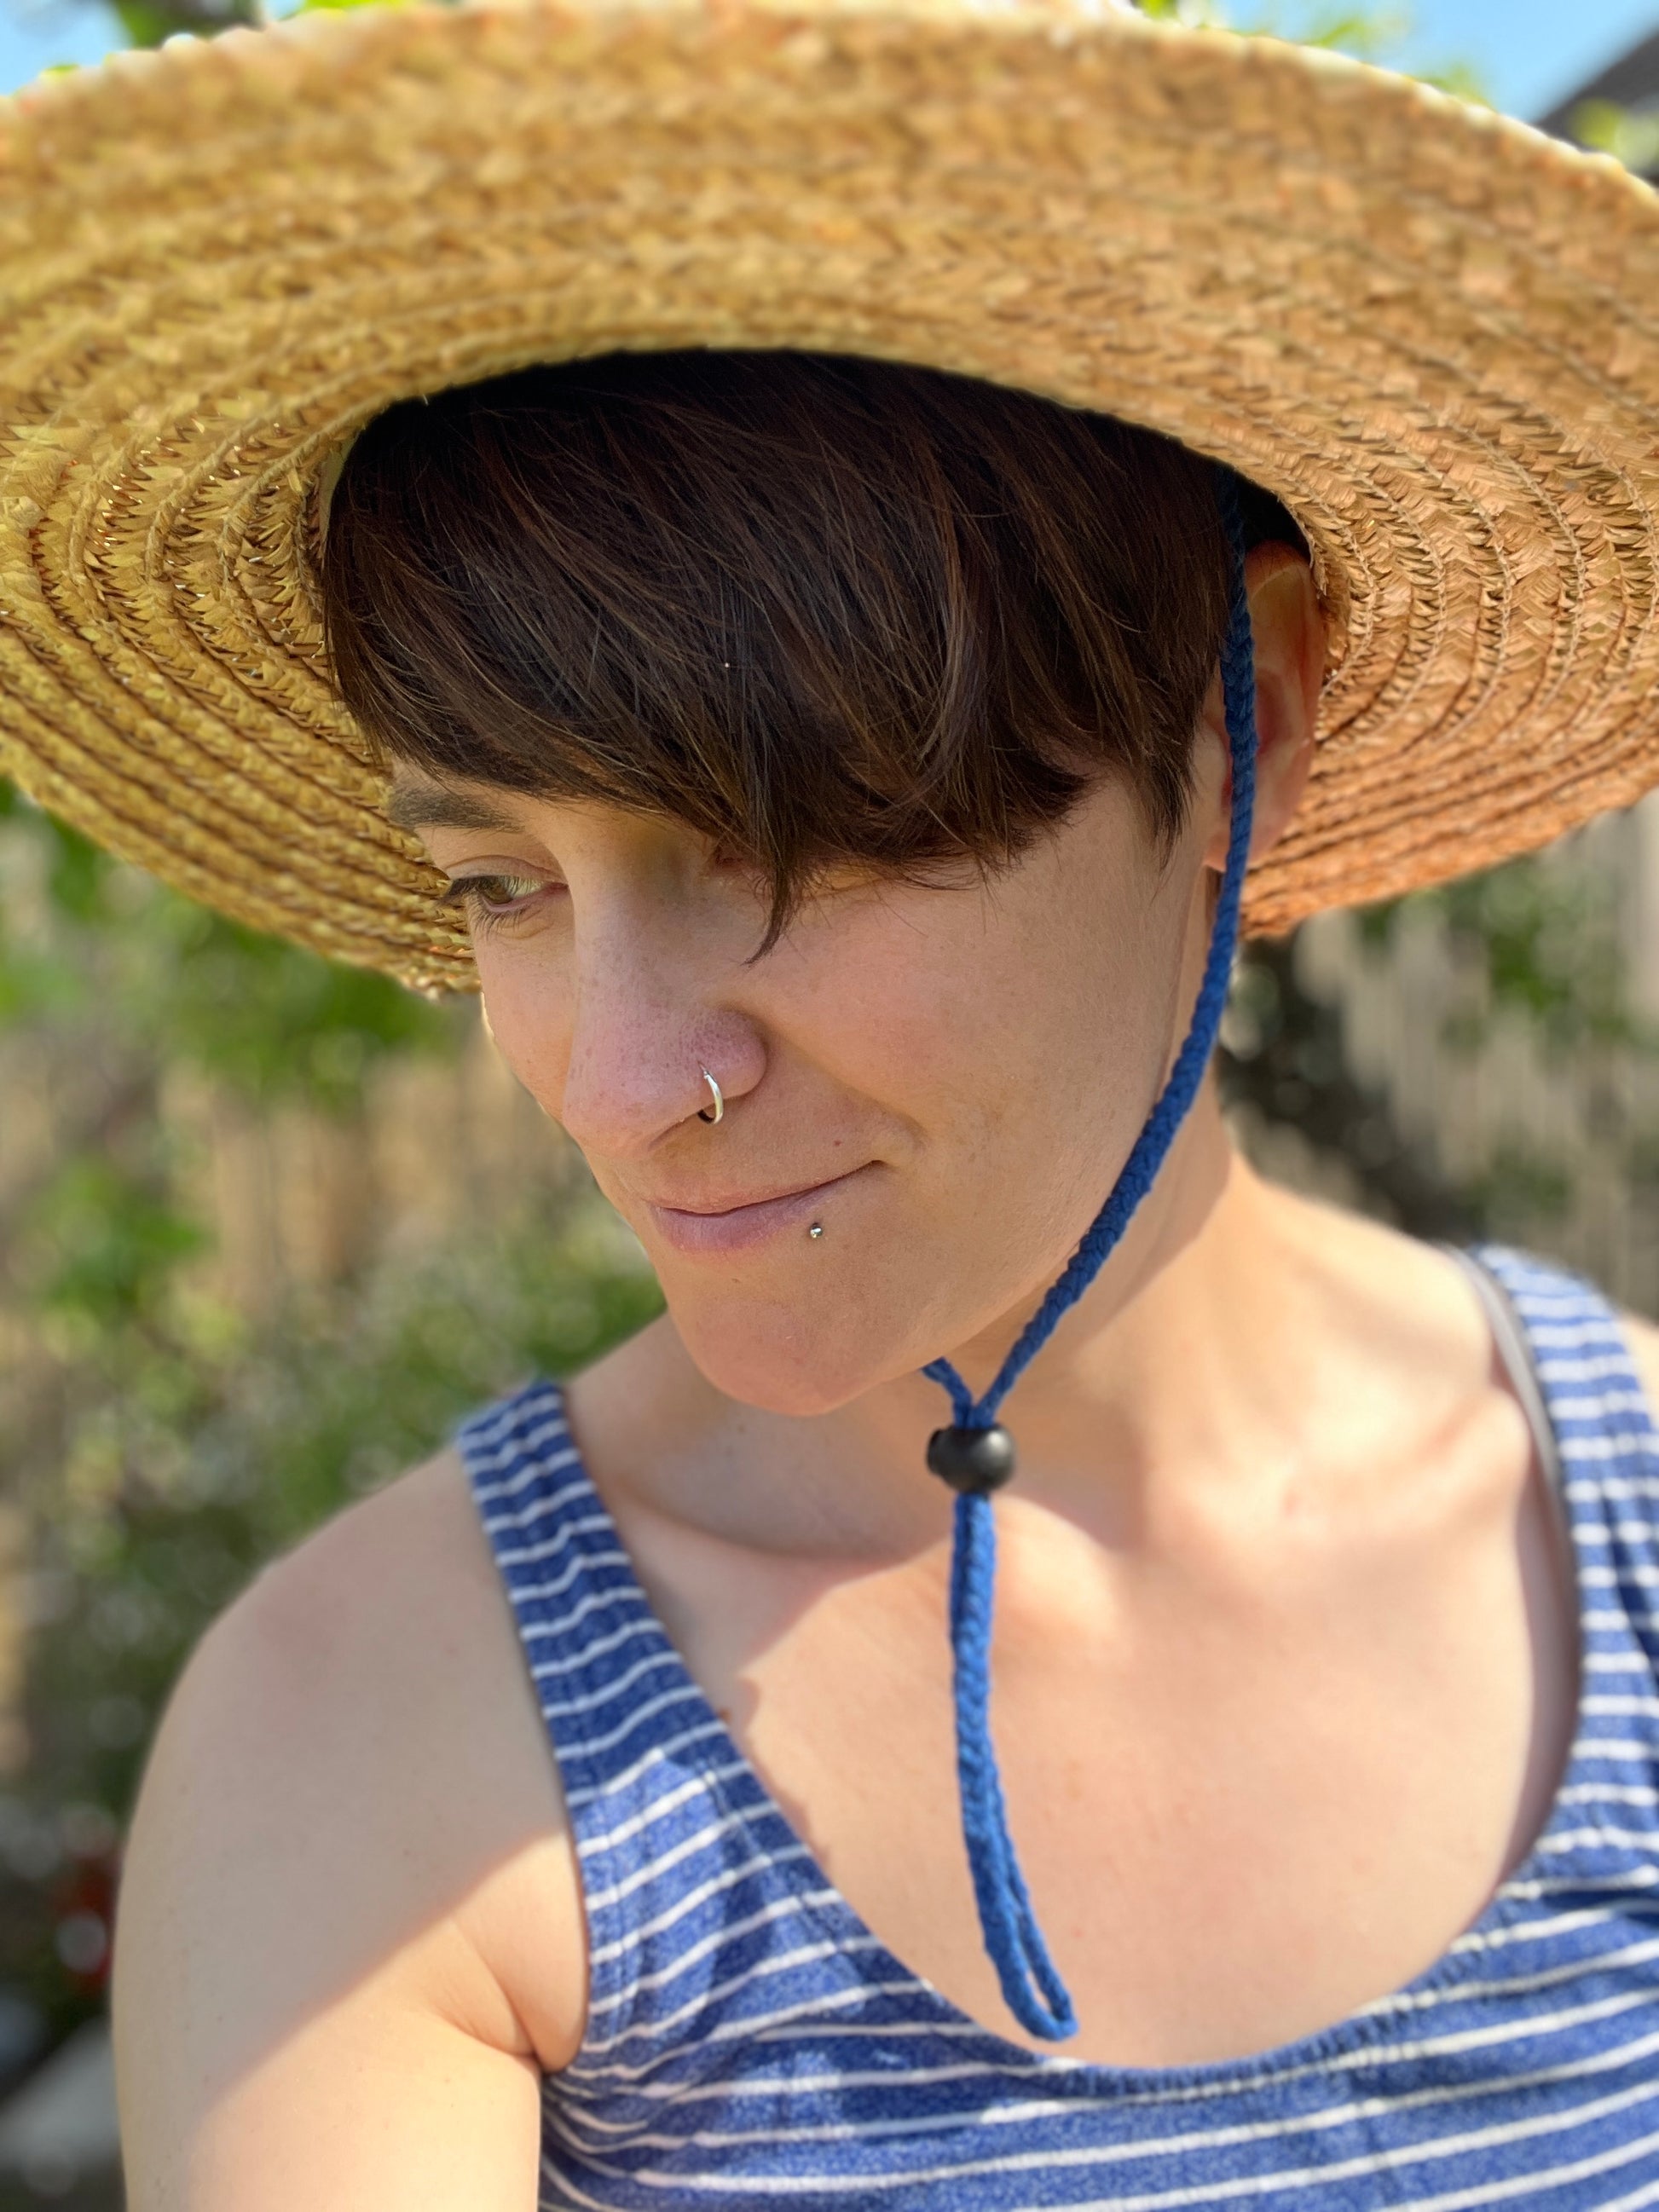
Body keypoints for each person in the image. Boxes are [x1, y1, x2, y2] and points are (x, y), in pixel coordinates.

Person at [3, 2, 1659, 2203]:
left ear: (1241, 705)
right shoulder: (373, 1753)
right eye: (498, 880)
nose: (609, 1080)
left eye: (786, 845)